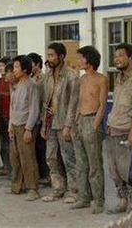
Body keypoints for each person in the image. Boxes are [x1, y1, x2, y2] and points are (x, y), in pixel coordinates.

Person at [106, 43, 132, 214]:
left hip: (127, 130)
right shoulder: (119, 76)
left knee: (131, 170)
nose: (117, 59)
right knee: (115, 170)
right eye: (116, 56)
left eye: (121, 55)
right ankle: (123, 200)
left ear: (131, 57)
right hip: (113, 129)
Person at [69, 46, 108, 214]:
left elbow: (102, 105)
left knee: (95, 165)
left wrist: (95, 126)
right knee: (81, 163)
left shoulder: (101, 79)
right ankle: (84, 197)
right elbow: (79, 101)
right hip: (80, 121)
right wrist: (75, 122)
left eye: (81, 58)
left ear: (89, 59)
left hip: (93, 120)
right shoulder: (82, 79)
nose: (79, 61)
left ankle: (99, 201)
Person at [41, 42, 79, 204]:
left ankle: (74, 191)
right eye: (48, 55)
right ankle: (58, 188)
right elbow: (45, 102)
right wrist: (44, 124)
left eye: (51, 55)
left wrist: (68, 126)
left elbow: (73, 104)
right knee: (51, 157)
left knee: (68, 158)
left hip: (64, 123)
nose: (49, 58)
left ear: (61, 56)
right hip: (50, 123)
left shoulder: (72, 76)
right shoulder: (47, 76)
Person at [8, 55, 40, 201]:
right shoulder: (17, 85)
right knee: (15, 157)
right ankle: (17, 185)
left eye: (16, 67)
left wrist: (28, 129)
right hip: (15, 125)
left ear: (25, 69)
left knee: (28, 158)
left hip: (25, 126)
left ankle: (33, 188)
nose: (14, 70)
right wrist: (10, 126)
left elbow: (34, 109)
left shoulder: (31, 85)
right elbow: (13, 107)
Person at [28, 52, 50, 186]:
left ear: (37, 65)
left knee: (43, 149)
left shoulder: (42, 79)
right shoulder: (31, 78)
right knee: (36, 148)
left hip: (41, 118)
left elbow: (43, 100)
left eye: (31, 63)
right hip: (33, 118)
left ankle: (47, 175)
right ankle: (40, 174)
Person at [0, 57, 12, 178]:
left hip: (10, 117)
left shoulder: (11, 82)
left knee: (10, 144)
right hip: (1, 116)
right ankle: (5, 165)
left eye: (3, 66)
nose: (1, 68)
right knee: (3, 142)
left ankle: (11, 168)